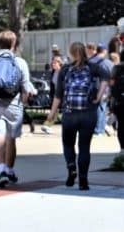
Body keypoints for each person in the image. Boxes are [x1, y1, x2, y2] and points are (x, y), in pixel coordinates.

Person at [45, 42, 109, 190]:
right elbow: (106, 78)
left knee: (68, 144)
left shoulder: (65, 69)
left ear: (71, 53)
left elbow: (58, 94)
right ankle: (83, 179)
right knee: (84, 146)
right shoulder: (93, 67)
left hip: (69, 113)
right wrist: (99, 96)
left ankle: (71, 167)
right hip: (89, 113)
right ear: (85, 52)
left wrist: (52, 112)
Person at [0, 30, 35, 188]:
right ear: (13, 44)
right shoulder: (20, 62)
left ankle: (1, 170)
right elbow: (25, 87)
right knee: (11, 139)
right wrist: (23, 103)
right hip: (14, 104)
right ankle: (10, 170)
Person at [87, 42, 113, 136]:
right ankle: (99, 130)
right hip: (104, 90)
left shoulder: (89, 61)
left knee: (91, 110)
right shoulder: (108, 63)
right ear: (105, 51)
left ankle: (93, 129)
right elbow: (113, 77)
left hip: (90, 89)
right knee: (101, 109)